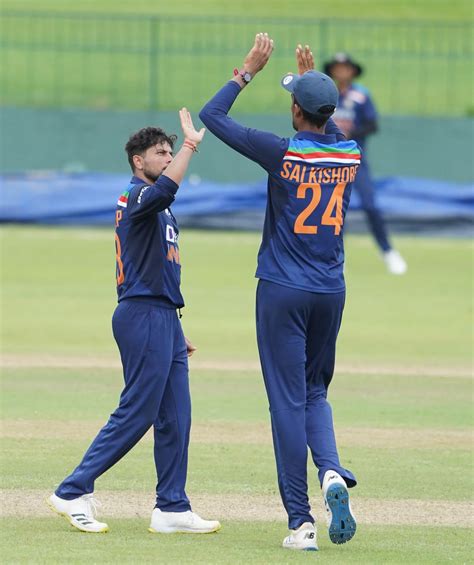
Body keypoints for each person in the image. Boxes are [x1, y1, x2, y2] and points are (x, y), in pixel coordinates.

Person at [200, 35, 357, 551]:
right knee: (315, 393)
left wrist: (247, 71)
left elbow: (213, 116)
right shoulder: (349, 153)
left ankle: (300, 523)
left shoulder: (282, 149)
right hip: (330, 291)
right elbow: (325, 127)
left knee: (286, 402)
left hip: (283, 290)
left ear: (296, 110)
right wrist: (315, 89)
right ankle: (331, 472)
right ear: (329, 111)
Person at [47, 110, 221, 536]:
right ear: (138, 162)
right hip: (140, 315)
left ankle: (172, 507)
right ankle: (72, 490)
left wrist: (176, 326)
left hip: (163, 316)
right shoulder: (136, 197)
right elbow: (165, 190)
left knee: (176, 415)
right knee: (138, 411)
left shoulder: (161, 210)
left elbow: (158, 269)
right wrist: (190, 145)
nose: (167, 156)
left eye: (169, 151)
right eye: (159, 152)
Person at [324, 52, 407, 275]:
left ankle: (388, 251)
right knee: (333, 210)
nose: (341, 71)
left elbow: (372, 125)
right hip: (329, 161)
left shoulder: (361, 95)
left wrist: (350, 132)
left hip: (355, 160)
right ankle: (336, 257)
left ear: (352, 71)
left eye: (346, 67)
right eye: (337, 67)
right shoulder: (326, 93)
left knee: (370, 205)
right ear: (332, 71)